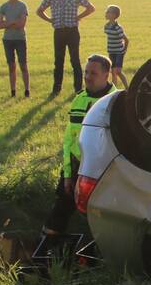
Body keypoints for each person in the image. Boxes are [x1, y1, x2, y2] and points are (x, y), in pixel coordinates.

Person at [42, 54, 117, 235]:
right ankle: (46, 255)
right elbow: (69, 140)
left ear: (106, 75)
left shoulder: (117, 103)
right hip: (76, 166)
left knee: (100, 220)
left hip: (102, 171)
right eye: (86, 72)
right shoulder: (79, 99)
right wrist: (68, 175)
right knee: (57, 214)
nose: (87, 77)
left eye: (93, 73)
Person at [36, 0, 95, 95]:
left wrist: (79, 16)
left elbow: (91, 8)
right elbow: (39, 11)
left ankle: (78, 89)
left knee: (75, 60)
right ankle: (56, 88)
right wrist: (49, 20)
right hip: (58, 32)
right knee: (58, 61)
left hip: (72, 31)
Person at [0, 0, 30, 97]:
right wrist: (13, 22)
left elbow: (22, 24)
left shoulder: (22, 6)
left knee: (23, 64)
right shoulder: (3, 7)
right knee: (11, 65)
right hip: (8, 40)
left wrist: (7, 23)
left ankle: (26, 90)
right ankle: (13, 91)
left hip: (20, 39)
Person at [103, 5, 129, 88]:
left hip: (119, 52)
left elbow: (126, 40)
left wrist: (124, 50)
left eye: (108, 12)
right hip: (111, 52)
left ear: (114, 15)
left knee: (115, 71)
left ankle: (114, 90)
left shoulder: (118, 28)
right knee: (117, 72)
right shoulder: (106, 26)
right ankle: (127, 87)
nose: (106, 13)